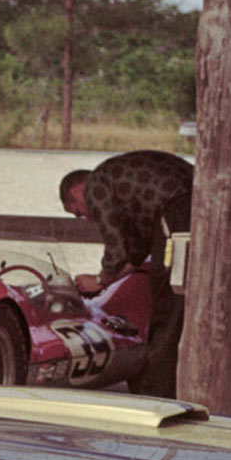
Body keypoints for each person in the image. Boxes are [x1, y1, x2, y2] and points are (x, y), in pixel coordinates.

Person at [59, 150, 194, 396]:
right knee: (174, 308)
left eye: (78, 212)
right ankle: (167, 384)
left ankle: (157, 394)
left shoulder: (96, 185)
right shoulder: (122, 188)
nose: (86, 218)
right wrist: (108, 280)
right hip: (189, 201)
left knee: (165, 310)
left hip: (177, 207)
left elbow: (116, 249)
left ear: (77, 191)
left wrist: (99, 280)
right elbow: (135, 253)